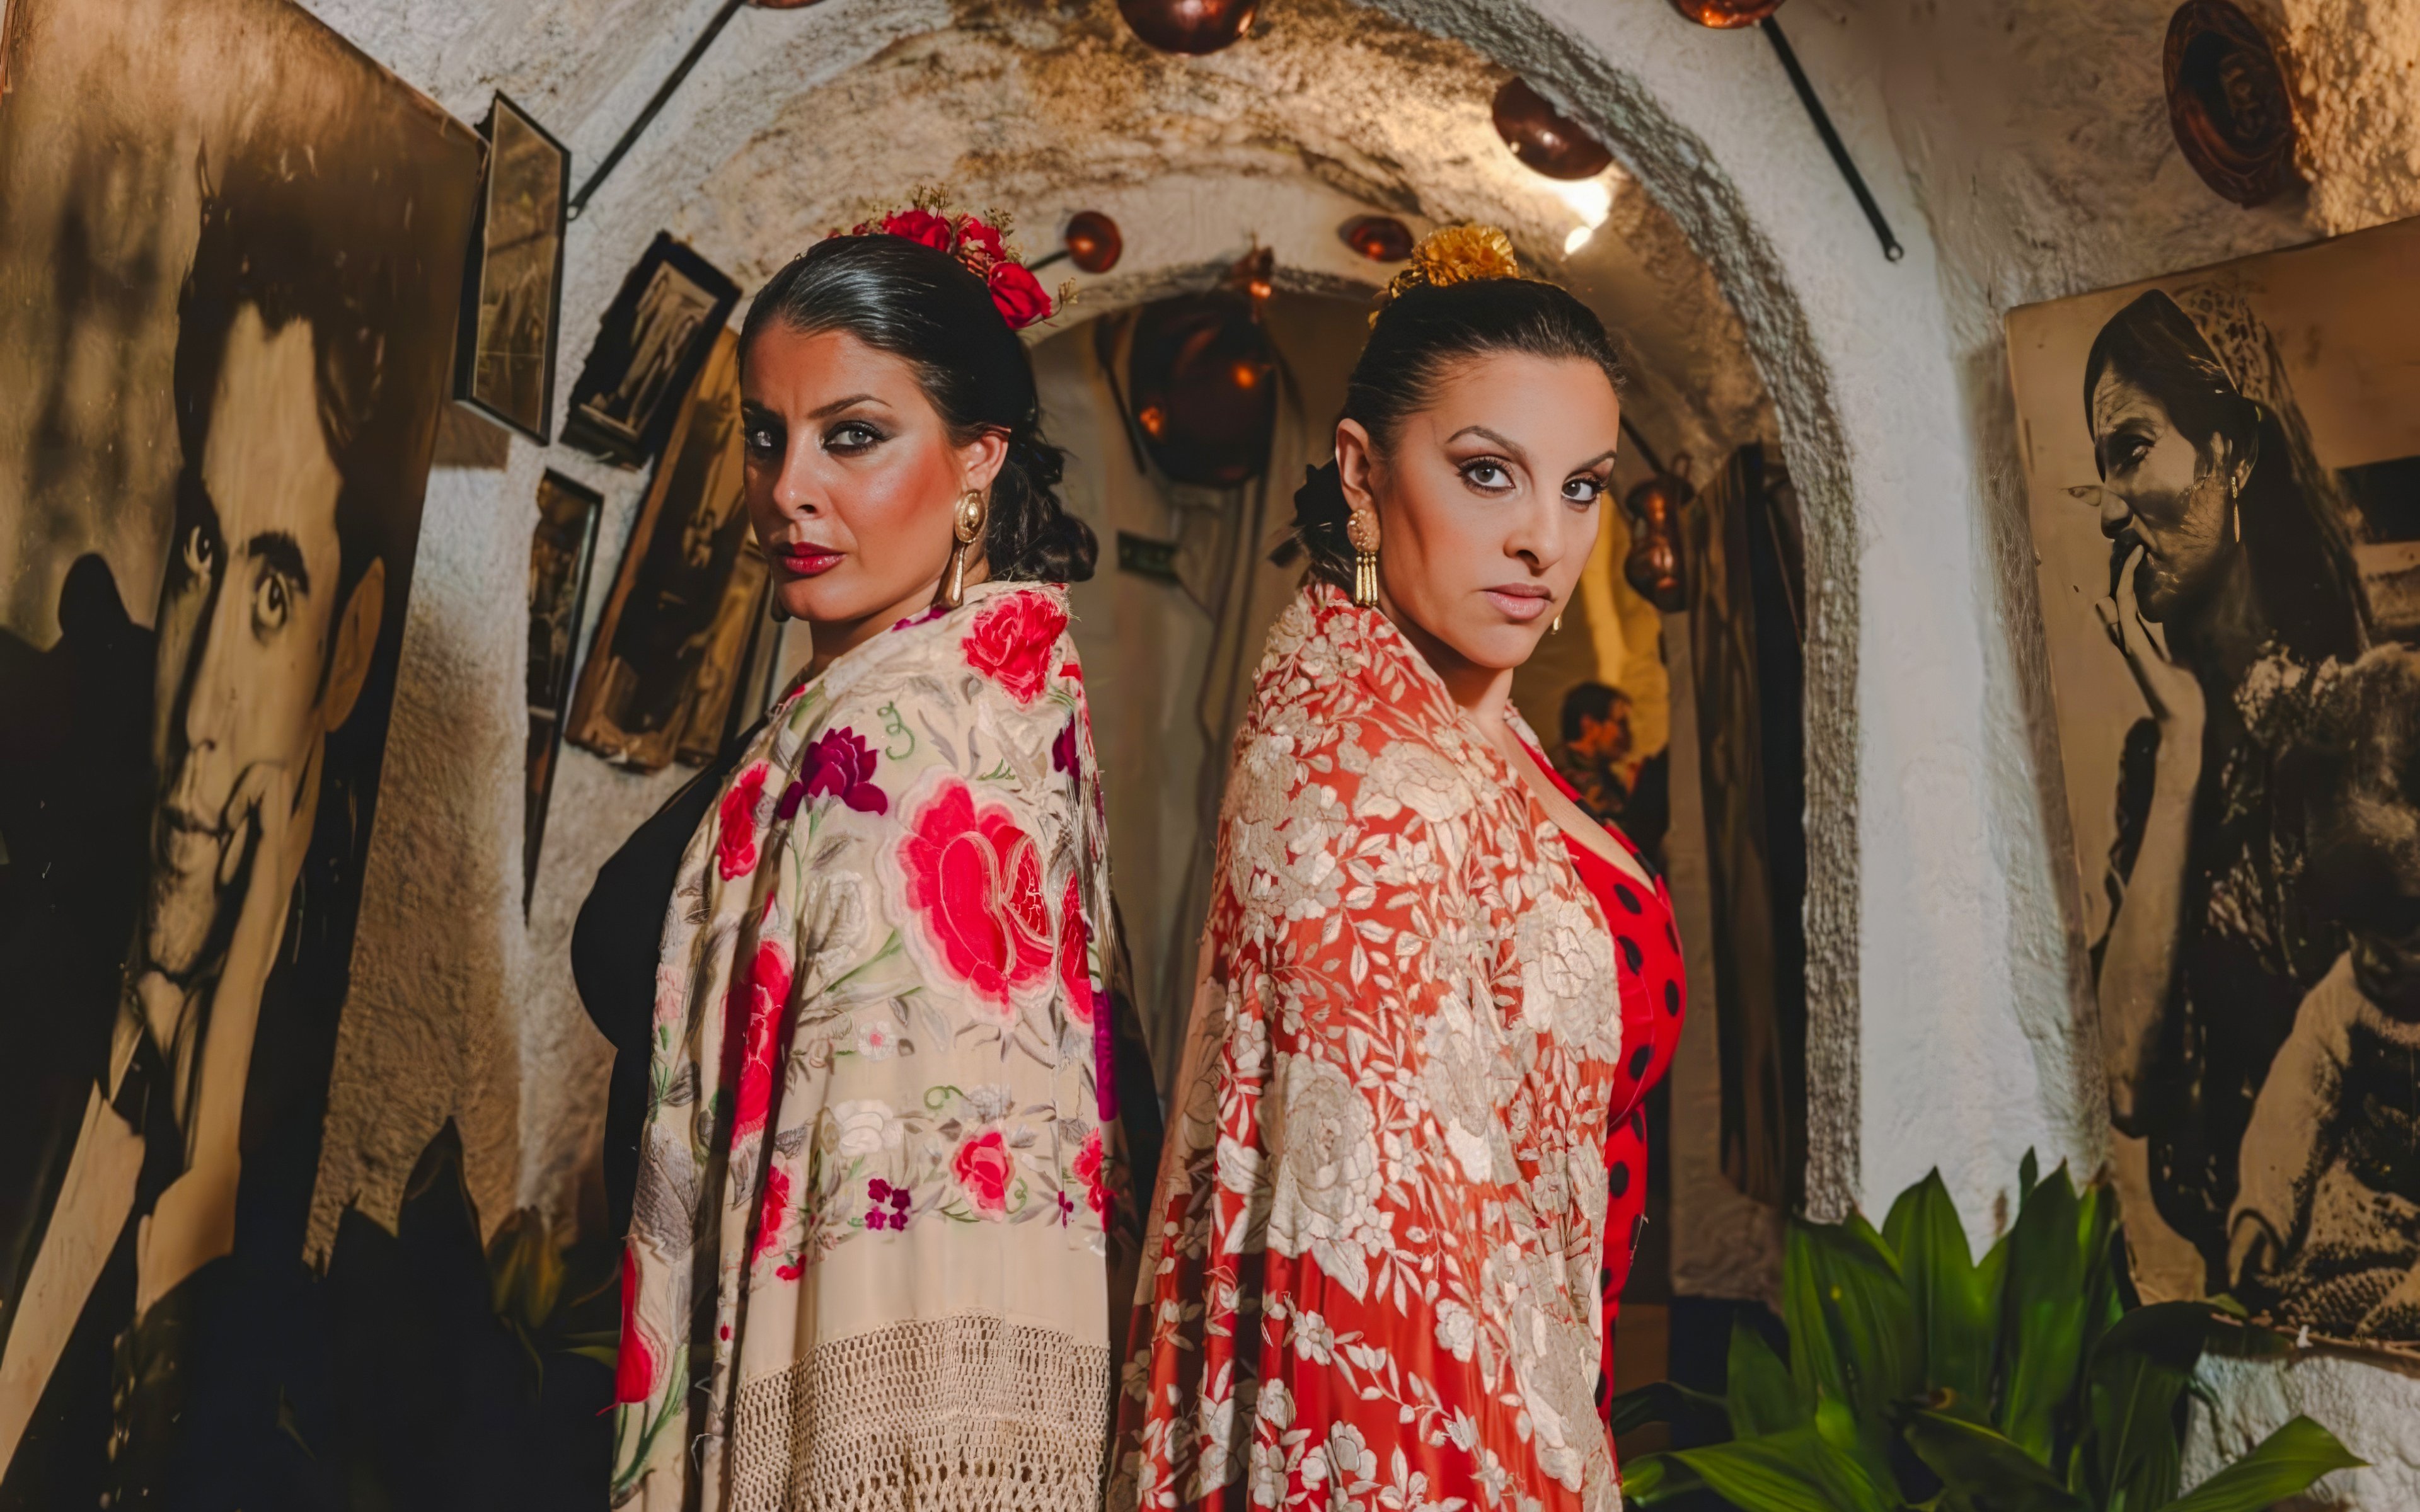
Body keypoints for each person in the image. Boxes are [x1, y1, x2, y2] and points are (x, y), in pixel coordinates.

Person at [1111, 226, 1685, 1512]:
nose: (1546, 539)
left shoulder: (1472, 724)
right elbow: (1369, 1302)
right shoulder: (1369, 791)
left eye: (1582, 487)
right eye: (1490, 474)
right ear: (1363, 473)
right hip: (1448, 1446)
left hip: (1556, 1370)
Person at [603, 212, 1124, 1511]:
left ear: (977, 460)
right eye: (766, 437)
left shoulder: (917, 750)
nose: (790, 488)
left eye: (853, 437)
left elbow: (903, 1197)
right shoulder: (860, 714)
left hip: (870, 1431)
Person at [0, 152, 400, 1503]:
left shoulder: (262, 1195)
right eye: (201, 558)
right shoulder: (32, 977)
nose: (204, 707)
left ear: (351, 656)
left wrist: (209, 1137)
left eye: (277, 597)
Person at [2079, 284, 2369, 1288]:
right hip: (2235, 1296)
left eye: (2129, 449)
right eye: (2100, 468)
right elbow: (2128, 1082)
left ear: (2234, 452)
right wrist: (2184, 744)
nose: (2110, 507)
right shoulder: (2165, 751)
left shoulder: (2360, 717)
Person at [2227, 645, 2420, 1338]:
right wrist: (2263, 1206)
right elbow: (2296, 1101)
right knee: (2312, 1312)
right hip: (2367, 1230)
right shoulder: (2348, 996)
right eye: (2353, 929)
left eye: (2403, 923)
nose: (2374, 958)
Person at [1556, 679, 1670, 861]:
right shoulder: (1564, 776)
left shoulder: (1596, 770)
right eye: (1620, 723)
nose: (1627, 734)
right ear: (1590, 726)